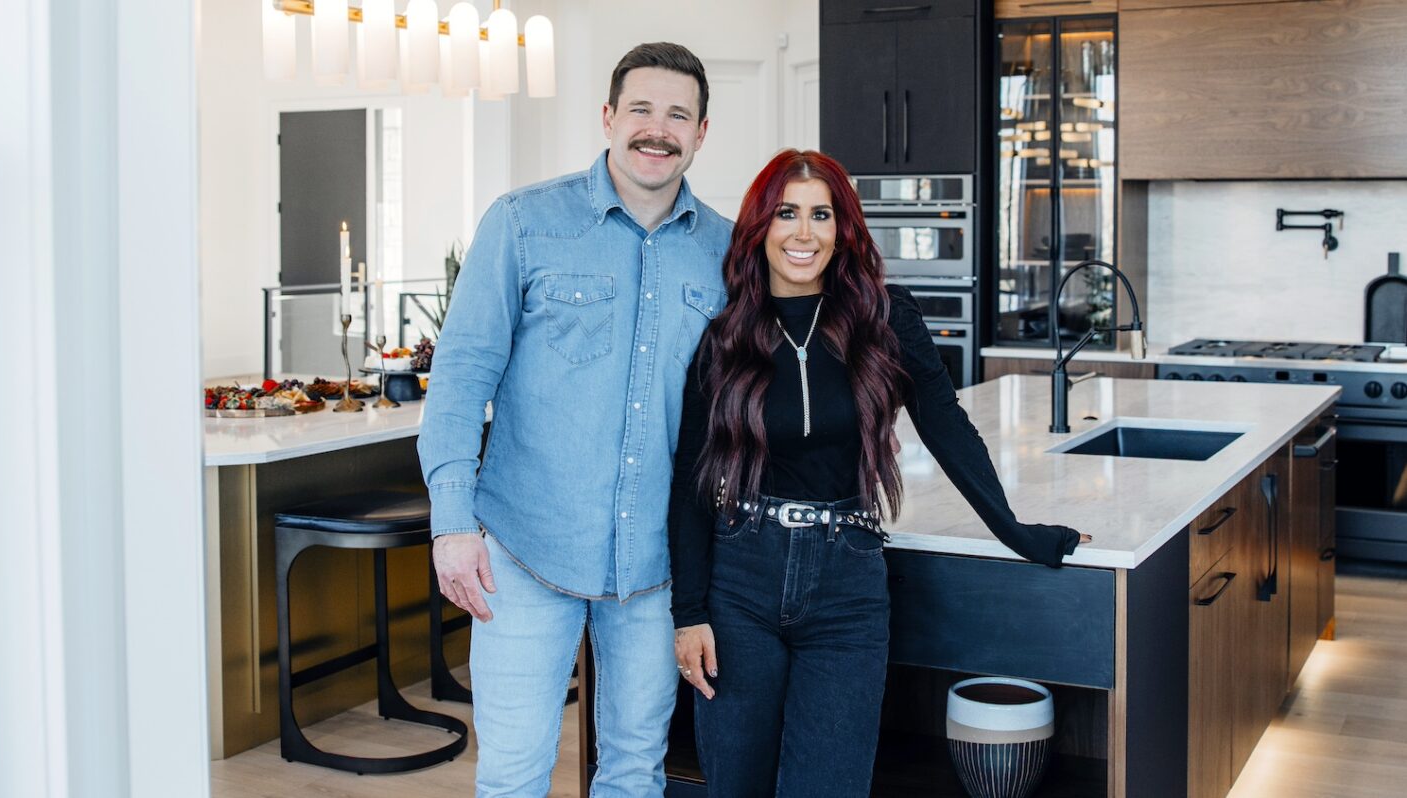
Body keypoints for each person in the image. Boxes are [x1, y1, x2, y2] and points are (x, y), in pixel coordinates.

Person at [667, 149, 1092, 797]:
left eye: (821, 215)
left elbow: (948, 427)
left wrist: (1019, 532)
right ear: (761, 227)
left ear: (843, 231)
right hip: (741, 586)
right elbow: (692, 483)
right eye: (787, 213)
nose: (803, 233)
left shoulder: (886, 319)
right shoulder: (725, 338)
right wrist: (689, 611)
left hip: (848, 586)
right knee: (737, 786)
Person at [419, 43, 733, 797]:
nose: (657, 130)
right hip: (523, 553)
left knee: (635, 771)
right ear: (608, 117)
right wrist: (451, 523)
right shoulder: (524, 223)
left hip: (656, 567)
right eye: (641, 110)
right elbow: (461, 379)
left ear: (701, 132)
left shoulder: (727, 251)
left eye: (677, 115)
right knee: (514, 775)